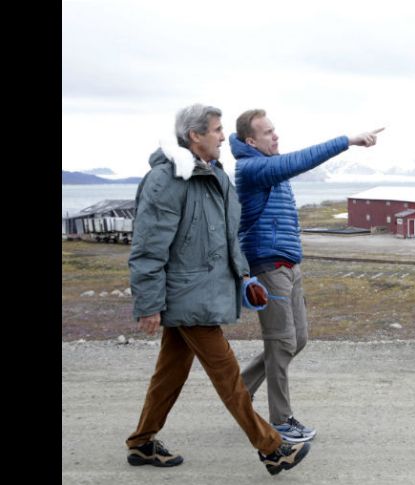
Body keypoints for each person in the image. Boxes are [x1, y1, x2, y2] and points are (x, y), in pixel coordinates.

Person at [125, 104, 310, 476]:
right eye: (216, 130)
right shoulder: (167, 180)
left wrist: (245, 277)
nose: (223, 136)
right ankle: (272, 448)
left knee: (169, 374)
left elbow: (229, 238)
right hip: (186, 296)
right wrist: (148, 304)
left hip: (205, 295)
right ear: (195, 136)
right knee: (227, 373)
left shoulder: (217, 177)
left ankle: (143, 442)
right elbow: (148, 246)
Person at [230, 109, 383, 442]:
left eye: (275, 130)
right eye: (267, 133)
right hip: (268, 266)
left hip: (289, 265)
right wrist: (348, 140)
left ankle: (237, 392)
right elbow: (299, 162)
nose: (276, 136)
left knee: (297, 340)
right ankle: (280, 421)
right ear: (250, 141)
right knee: (281, 342)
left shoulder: (267, 165)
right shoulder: (252, 168)